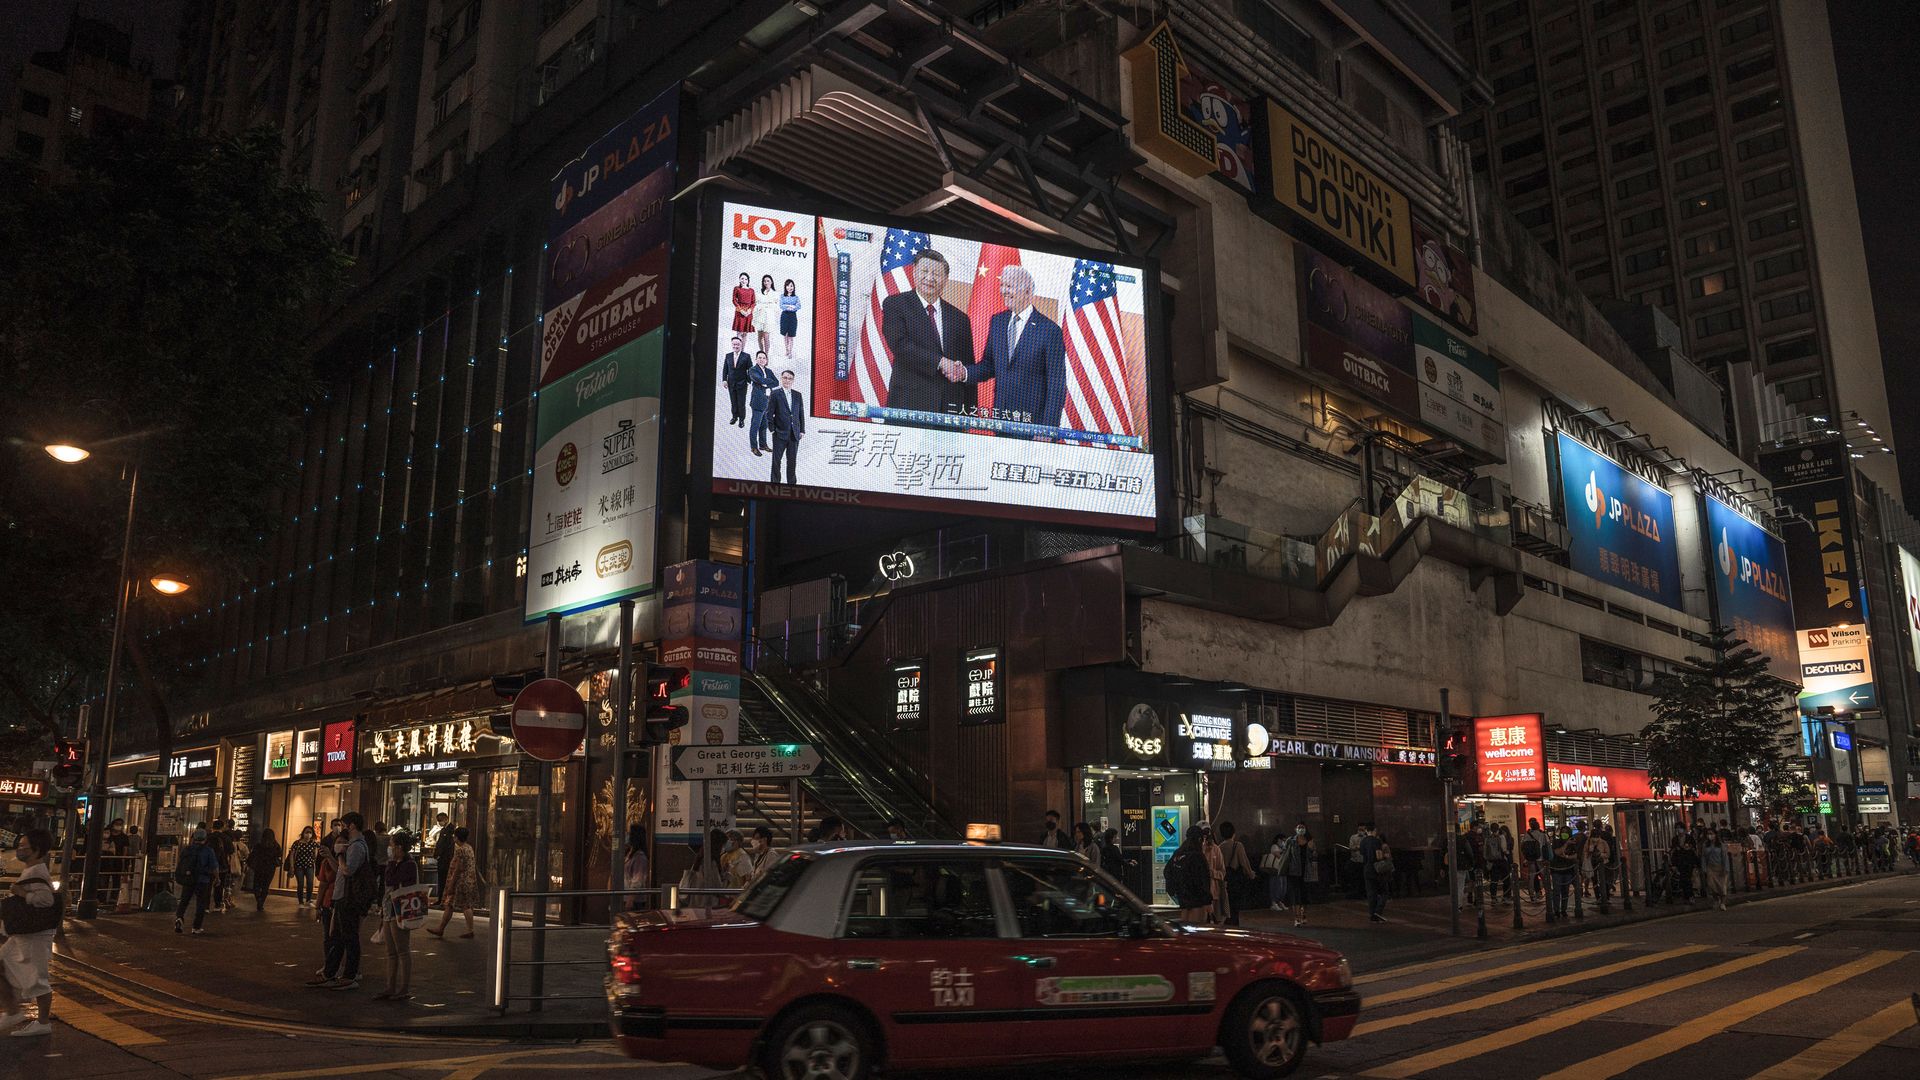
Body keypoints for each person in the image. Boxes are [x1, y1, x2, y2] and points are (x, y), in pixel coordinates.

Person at [940, 264, 1066, 427]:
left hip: (1033, 425)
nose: (1003, 290)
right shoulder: (998, 321)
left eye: (1010, 286)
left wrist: (1048, 429)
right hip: (1001, 419)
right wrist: (963, 372)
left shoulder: (1050, 330)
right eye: (1002, 285)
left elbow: (1057, 383)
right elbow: (988, 365)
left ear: (1028, 292)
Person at [880, 247, 975, 415]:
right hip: (908, 404)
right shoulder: (895, 304)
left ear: (945, 279)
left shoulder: (960, 318)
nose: (930, 278)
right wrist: (941, 362)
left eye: (937, 274)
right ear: (914, 272)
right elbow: (899, 345)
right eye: (924, 271)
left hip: (950, 410)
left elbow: (968, 367)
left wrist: (969, 413)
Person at [0, 828, 59, 1037]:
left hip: (34, 936)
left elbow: (46, 900)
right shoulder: (31, 870)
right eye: (20, 846)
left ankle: (43, 1023)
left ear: (37, 850)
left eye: (24, 847)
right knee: (3, 964)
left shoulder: (37, 871)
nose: (19, 850)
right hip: (22, 935)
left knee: (37, 978)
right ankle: (13, 1010)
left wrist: (21, 892)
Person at [312, 812, 373, 990]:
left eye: (344, 824)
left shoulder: (357, 846)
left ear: (352, 825)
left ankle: (349, 975)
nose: (342, 828)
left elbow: (348, 871)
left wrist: (338, 855)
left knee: (348, 937)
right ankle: (330, 973)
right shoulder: (353, 845)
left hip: (349, 898)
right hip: (342, 896)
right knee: (338, 937)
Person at [376, 831, 418, 1002]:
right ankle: (390, 986)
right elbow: (388, 881)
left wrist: (392, 864)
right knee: (391, 951)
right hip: (389, 909)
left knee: (402, 950)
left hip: (401, 908)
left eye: (392, 844)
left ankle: (404, 988)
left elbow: (392, 880)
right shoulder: (394, 863)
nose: (390, 848)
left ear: (399, 847)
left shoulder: (408, 864)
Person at [426, 826, 479, 939]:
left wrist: (451, 883)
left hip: (461, 882)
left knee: (464, 905)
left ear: (456, 837)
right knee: (450, 905)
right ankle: (441, 928)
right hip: (468, 880)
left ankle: (470, 930)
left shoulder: (460, 850)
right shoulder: (468, 847)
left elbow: (458, 868)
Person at [174, 827, 221, 935]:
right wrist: (217, 878)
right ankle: (196, 927)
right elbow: (214, 867)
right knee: (201, 904)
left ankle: (179, 918)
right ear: (205, 838)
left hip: (189, 879)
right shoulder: (208, 850)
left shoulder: (187, 849)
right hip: (203, 880)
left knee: (184, 900)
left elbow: (181, 863)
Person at [1163, 825, 1213, 923]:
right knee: (1197, 929)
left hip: (1183, 899)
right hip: (1197, 900)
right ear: (1199, 839)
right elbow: (1203, 879)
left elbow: (1167, 871)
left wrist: (1175, 890)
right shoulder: (1197, 855)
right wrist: (1207, 901)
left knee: (1185, 927)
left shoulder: (1178, 853)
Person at [766, 368, 804, 485]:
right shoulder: (775, 393)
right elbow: (769, 413)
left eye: (790, 378)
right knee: (776, 461)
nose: (787, 380)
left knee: (792, 461)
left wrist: (802, 430)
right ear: (781, 379)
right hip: (779, 433)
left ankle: (792, 485)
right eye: (785, 378)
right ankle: (775, 483)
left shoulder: (797, 395)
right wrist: (773, 430)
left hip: (794, 434)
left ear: (793, 381)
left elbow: (800, 413)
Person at [1215, 821, 1254, 926]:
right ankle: (1234, 925)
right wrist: (1251, 874)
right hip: (1235, 880)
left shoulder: (1219, 847)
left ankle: (1227, 923)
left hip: (1224, 879)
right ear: (1234, 833)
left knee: (1226, 904)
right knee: (1235, 905)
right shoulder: (1238, 845)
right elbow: (1244, 863)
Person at [1277, 824, 1315, 927]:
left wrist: (1311, 849)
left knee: (1305, 896)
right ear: (1295, 829)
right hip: (1293, 872)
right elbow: (1284, 853)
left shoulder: (1310, 841)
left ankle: (1303, 915)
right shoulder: (1291, 840)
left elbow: (1312, 856)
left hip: (1306, 872)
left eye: (1303, 828)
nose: (1301, 829)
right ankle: (1297, 918)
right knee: (1295, 896)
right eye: (1299, 828)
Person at [745, 351, 778, 455]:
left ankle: (763, 445)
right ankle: (754, 447)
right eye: (759, 358)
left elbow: (776, 382)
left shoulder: (769, 370)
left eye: (764, 358)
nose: (762, 359)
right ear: (756, 359)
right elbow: (759, 379)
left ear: (766, 360)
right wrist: (766, 381)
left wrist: (764, 382)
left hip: (767, 401)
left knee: (764, 425)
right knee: (755, 425)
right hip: (758, 402)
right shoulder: (752, 370)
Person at [1358, 824, 1391, 923]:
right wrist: (1385, 856)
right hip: (1376, 869)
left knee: (1371, 893)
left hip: (1366, 869)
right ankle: (1378, 911)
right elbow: (1379, 856)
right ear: (1374, 830)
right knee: (1384, 892)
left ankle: (1372, 915)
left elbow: (1362, 854)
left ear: (1366, 830)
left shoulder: (1363, 841)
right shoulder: (1377, 841)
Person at [720, 335, 753, 426]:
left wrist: (748, 381)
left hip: (742, 383)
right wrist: (724, 380)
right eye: (734, 344)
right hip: (731, 383)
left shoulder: (746, 356)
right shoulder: (728, 356)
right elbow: (725, 369)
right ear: (732, 345)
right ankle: (734, 417)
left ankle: (741, 419)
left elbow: (750, 370)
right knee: (733, 401)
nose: (735, 346)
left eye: (737, 344)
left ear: (741, 345)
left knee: (741, 403)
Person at [1547, 828, 1578, 921]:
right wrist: (1566, 844)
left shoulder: (1573, 842)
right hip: (1557, 870)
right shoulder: (1557, 842)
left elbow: (1576, 855)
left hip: (1568, 870)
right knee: (1557, 891)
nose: (1564, 834)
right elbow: (1557, 852)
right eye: (1563, 832)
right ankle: (1556, 910)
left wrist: (1567, 856)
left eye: (1566, 832)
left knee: (1565, 891)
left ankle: (1563, 910)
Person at [248, 829, 283, 912]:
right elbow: (280, 854)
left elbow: (253, 855)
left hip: (259, 867)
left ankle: (259, 900)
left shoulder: (259, 845)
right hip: (270, 868)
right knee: (265, 886)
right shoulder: (275, 845)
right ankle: (261, 903)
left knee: (256, 885)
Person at [285, 826, 320, 906]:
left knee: (310, 883)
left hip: (309, 866)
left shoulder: (314, 843)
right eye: (307, 832)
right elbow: (292, 855)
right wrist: (292, 866)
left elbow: (317, 854)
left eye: (310, 832)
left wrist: (316, 854)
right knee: (300, 883)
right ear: (303, 833)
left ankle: (308, 900)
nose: (308, 834)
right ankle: (300, 901)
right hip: (298, 866)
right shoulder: (297, 843)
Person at [1700, 830, 1732, 911]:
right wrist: (1704, 868)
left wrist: (1726, 868)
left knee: (1722, 886)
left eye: (1711, 834)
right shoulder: (1705, 845)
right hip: (1710, 868)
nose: (1710, 835)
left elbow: (1724, 857)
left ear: (1715, 835)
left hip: (1720, 867)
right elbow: (1703, 857)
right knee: (1711, 885)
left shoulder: (1720, 845)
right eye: (1708, 834)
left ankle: (1723, 903)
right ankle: (1716, 899)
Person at [622, 824, 651, 910]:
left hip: (634, 901)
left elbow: (637, 881)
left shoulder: (639, 857)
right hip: (625, 897)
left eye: (628, 833)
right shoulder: (629, 854)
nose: (626, 835)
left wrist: (630, 900)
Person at [431, 813, 456, 901]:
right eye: (438, 821)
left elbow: (446, 846)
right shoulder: (443, 830)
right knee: (441, 879)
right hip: (442, 859)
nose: (440, 822)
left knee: (444, 880)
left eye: (441, 820)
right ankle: (440, 898)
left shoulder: (451, 830)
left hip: (446, 860)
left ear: (446, 819)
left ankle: (443, 898)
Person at [756, 273, 779, 354]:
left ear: (771, 282)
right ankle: (761, 353)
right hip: (760, 317)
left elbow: (775, 306)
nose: (766, 283)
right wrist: (767, 303)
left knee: (766, 337)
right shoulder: (760, 293)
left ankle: (766, 355)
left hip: (769, 318)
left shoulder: (775, 293)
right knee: (759, 337)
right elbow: (757, 304)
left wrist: (765, 304)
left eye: (768, 281)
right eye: (764, 281)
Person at [778, 279, 802, 358]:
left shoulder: (796, 297)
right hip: (784, 316)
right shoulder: (782, 296)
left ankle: (790, 351)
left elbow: (798, 306)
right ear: (785, 287)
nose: (790, 288)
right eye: (788, 286)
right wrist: (791, 306)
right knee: (785, 335)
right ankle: (786, 350)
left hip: (792, 317)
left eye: (791, 286)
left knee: (791, 336)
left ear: (794, 287)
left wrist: (789, 306)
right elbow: (781, 306)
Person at [730, 272, 757, 337]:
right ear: (739, 279)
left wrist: (749, 310)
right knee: (739, 332)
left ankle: (743, 347)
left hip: (748, 312)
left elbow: (753, 302)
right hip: (739, 311)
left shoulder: (751, 290)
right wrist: (741, 310)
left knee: (745, 333)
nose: (744, 281)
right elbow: (734, 300)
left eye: (746, 279)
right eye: (742, 278)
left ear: (748, 280)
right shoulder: (736, 288)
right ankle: (737, 346)